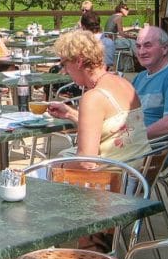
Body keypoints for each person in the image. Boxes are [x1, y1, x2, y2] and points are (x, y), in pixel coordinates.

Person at [46, 30, 150, 167]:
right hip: (137, 174)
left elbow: (86, 163)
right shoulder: (124, 83)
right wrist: (70, 113)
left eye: (64, 64)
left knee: (38, 172)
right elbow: (113, 127)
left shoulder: (93, 98)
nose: (64, 71)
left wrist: (53, 168)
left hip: (114, 181)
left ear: (79, 61)